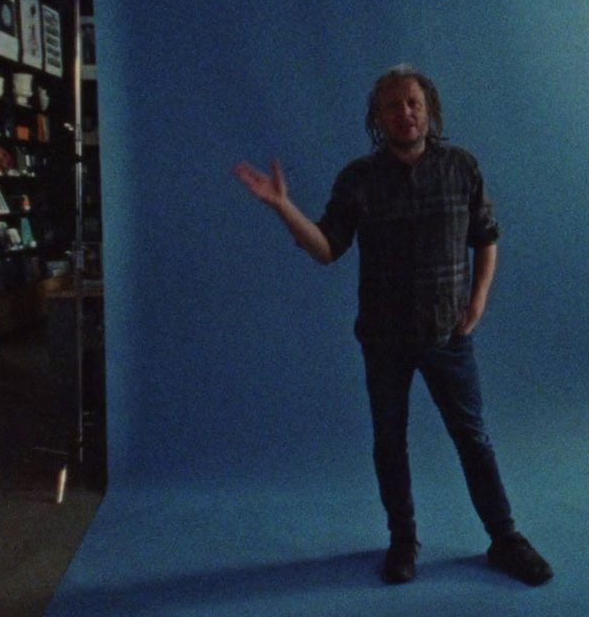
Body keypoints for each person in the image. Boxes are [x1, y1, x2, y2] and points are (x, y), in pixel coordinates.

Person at [233, 65, 552, 587]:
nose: (404, 112)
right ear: (376, 119)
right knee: (389, 442)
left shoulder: (462, 167)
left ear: (429, 108)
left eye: (412, 103)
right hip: (384, 339)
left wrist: (478, 302)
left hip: (449, 336)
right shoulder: (358, 179)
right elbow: (327, 249)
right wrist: (283, 207)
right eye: (391, 106)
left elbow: (487, 236)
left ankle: (505, 538)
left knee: (473, 438)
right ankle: (403, 542)